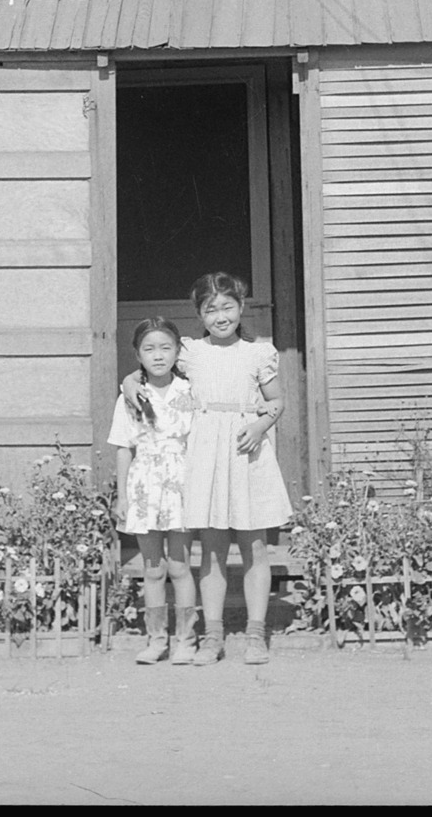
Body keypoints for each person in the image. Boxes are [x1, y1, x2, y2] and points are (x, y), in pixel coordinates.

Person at [123, 272, 293, 665]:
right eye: (211, 309)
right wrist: (129, 381)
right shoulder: (190, 351)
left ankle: (255, 634)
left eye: (227, 307)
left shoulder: (258, 353)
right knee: (213, 549)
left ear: (241, 307)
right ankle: (212, 634)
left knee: (254, 546)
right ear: (199, 314)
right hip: (205, 454)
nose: (220, 316)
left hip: (246, 449)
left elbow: (277, 401)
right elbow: (152, 363)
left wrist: (260, 424)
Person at [107, 317, 199, 665]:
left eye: (165, 347)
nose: (158, 356)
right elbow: (122, 447)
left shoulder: (190, 392)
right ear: (137, 354)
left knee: (179, 567)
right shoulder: (131, 396)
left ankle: (185, 640)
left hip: (180, 486)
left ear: (178, 351)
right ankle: (156, 638)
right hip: (144, 486)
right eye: (149, 349)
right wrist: (123, 497)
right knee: (153, 569)